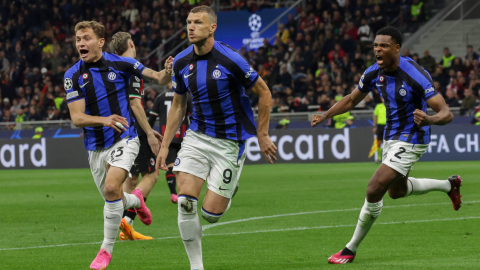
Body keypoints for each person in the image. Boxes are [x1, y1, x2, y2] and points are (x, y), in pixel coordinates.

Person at [311, 26, 462, 264]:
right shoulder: (373, 73)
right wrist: (326, 115)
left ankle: (350, 249)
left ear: (397, 48)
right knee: (397, 191)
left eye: (383, 46)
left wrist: (430, 119)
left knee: (374, 189)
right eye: (375, 46)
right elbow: (351, 99)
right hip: (391, 138)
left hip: (413, 137)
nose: (377, 50)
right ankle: (449, 185)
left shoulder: (415, 75)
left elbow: (446, 113)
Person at [155, 6, 277, 270]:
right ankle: (196, 266)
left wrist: (263, 133)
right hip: (197, 136)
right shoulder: (180, 62)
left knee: (210, 215)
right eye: (188, 22)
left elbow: (264, 92)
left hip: (229, 142)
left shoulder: (231, 60)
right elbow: (177, 105)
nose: (190, 27)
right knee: (186, 202)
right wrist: (164, 147)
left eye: (198, 22)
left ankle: (229, 188)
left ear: (212, 28)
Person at [64, 21, 171, 270]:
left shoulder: (121, 63)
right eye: (78, 39)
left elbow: (158, 77)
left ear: (100, 42)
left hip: (125, 138)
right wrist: (104, 119)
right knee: (114, 196)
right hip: (95, 147)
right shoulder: (72, 75)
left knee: (112, 187)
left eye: (86, 38)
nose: (81, 43)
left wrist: (167, 70)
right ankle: (137, 201)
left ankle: (105, 251)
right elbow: (77, 118)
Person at [110, 31, 173, 241]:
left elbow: (160, 78)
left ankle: (125, 226)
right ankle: (134, 206)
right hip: (132, 128)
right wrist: (148, 133)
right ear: (130, 44)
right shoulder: (132, 67)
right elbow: (135, 104)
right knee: (153, 173)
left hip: (116, 127)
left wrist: (166, 70)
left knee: (132, 176)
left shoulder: (111, 66)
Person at [149, 85, 192, 204]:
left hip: (167, 136)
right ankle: (183, 193)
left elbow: (151, 119)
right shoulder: (186, 97)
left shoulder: (160, 97)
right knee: (184, 167)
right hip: (184, 136)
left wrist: (148, 134)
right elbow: (193, 117)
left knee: (171, 164)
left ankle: (173, 193)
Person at [373, 97, 386, 161]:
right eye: (382, 98)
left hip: (388, 125)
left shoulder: (390, 105)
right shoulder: (378, 106)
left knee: (388, 142)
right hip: (380, 125)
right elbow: (375, 116)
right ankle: (378, 157)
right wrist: (374, 126)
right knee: (379, 142)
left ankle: (387, 158)